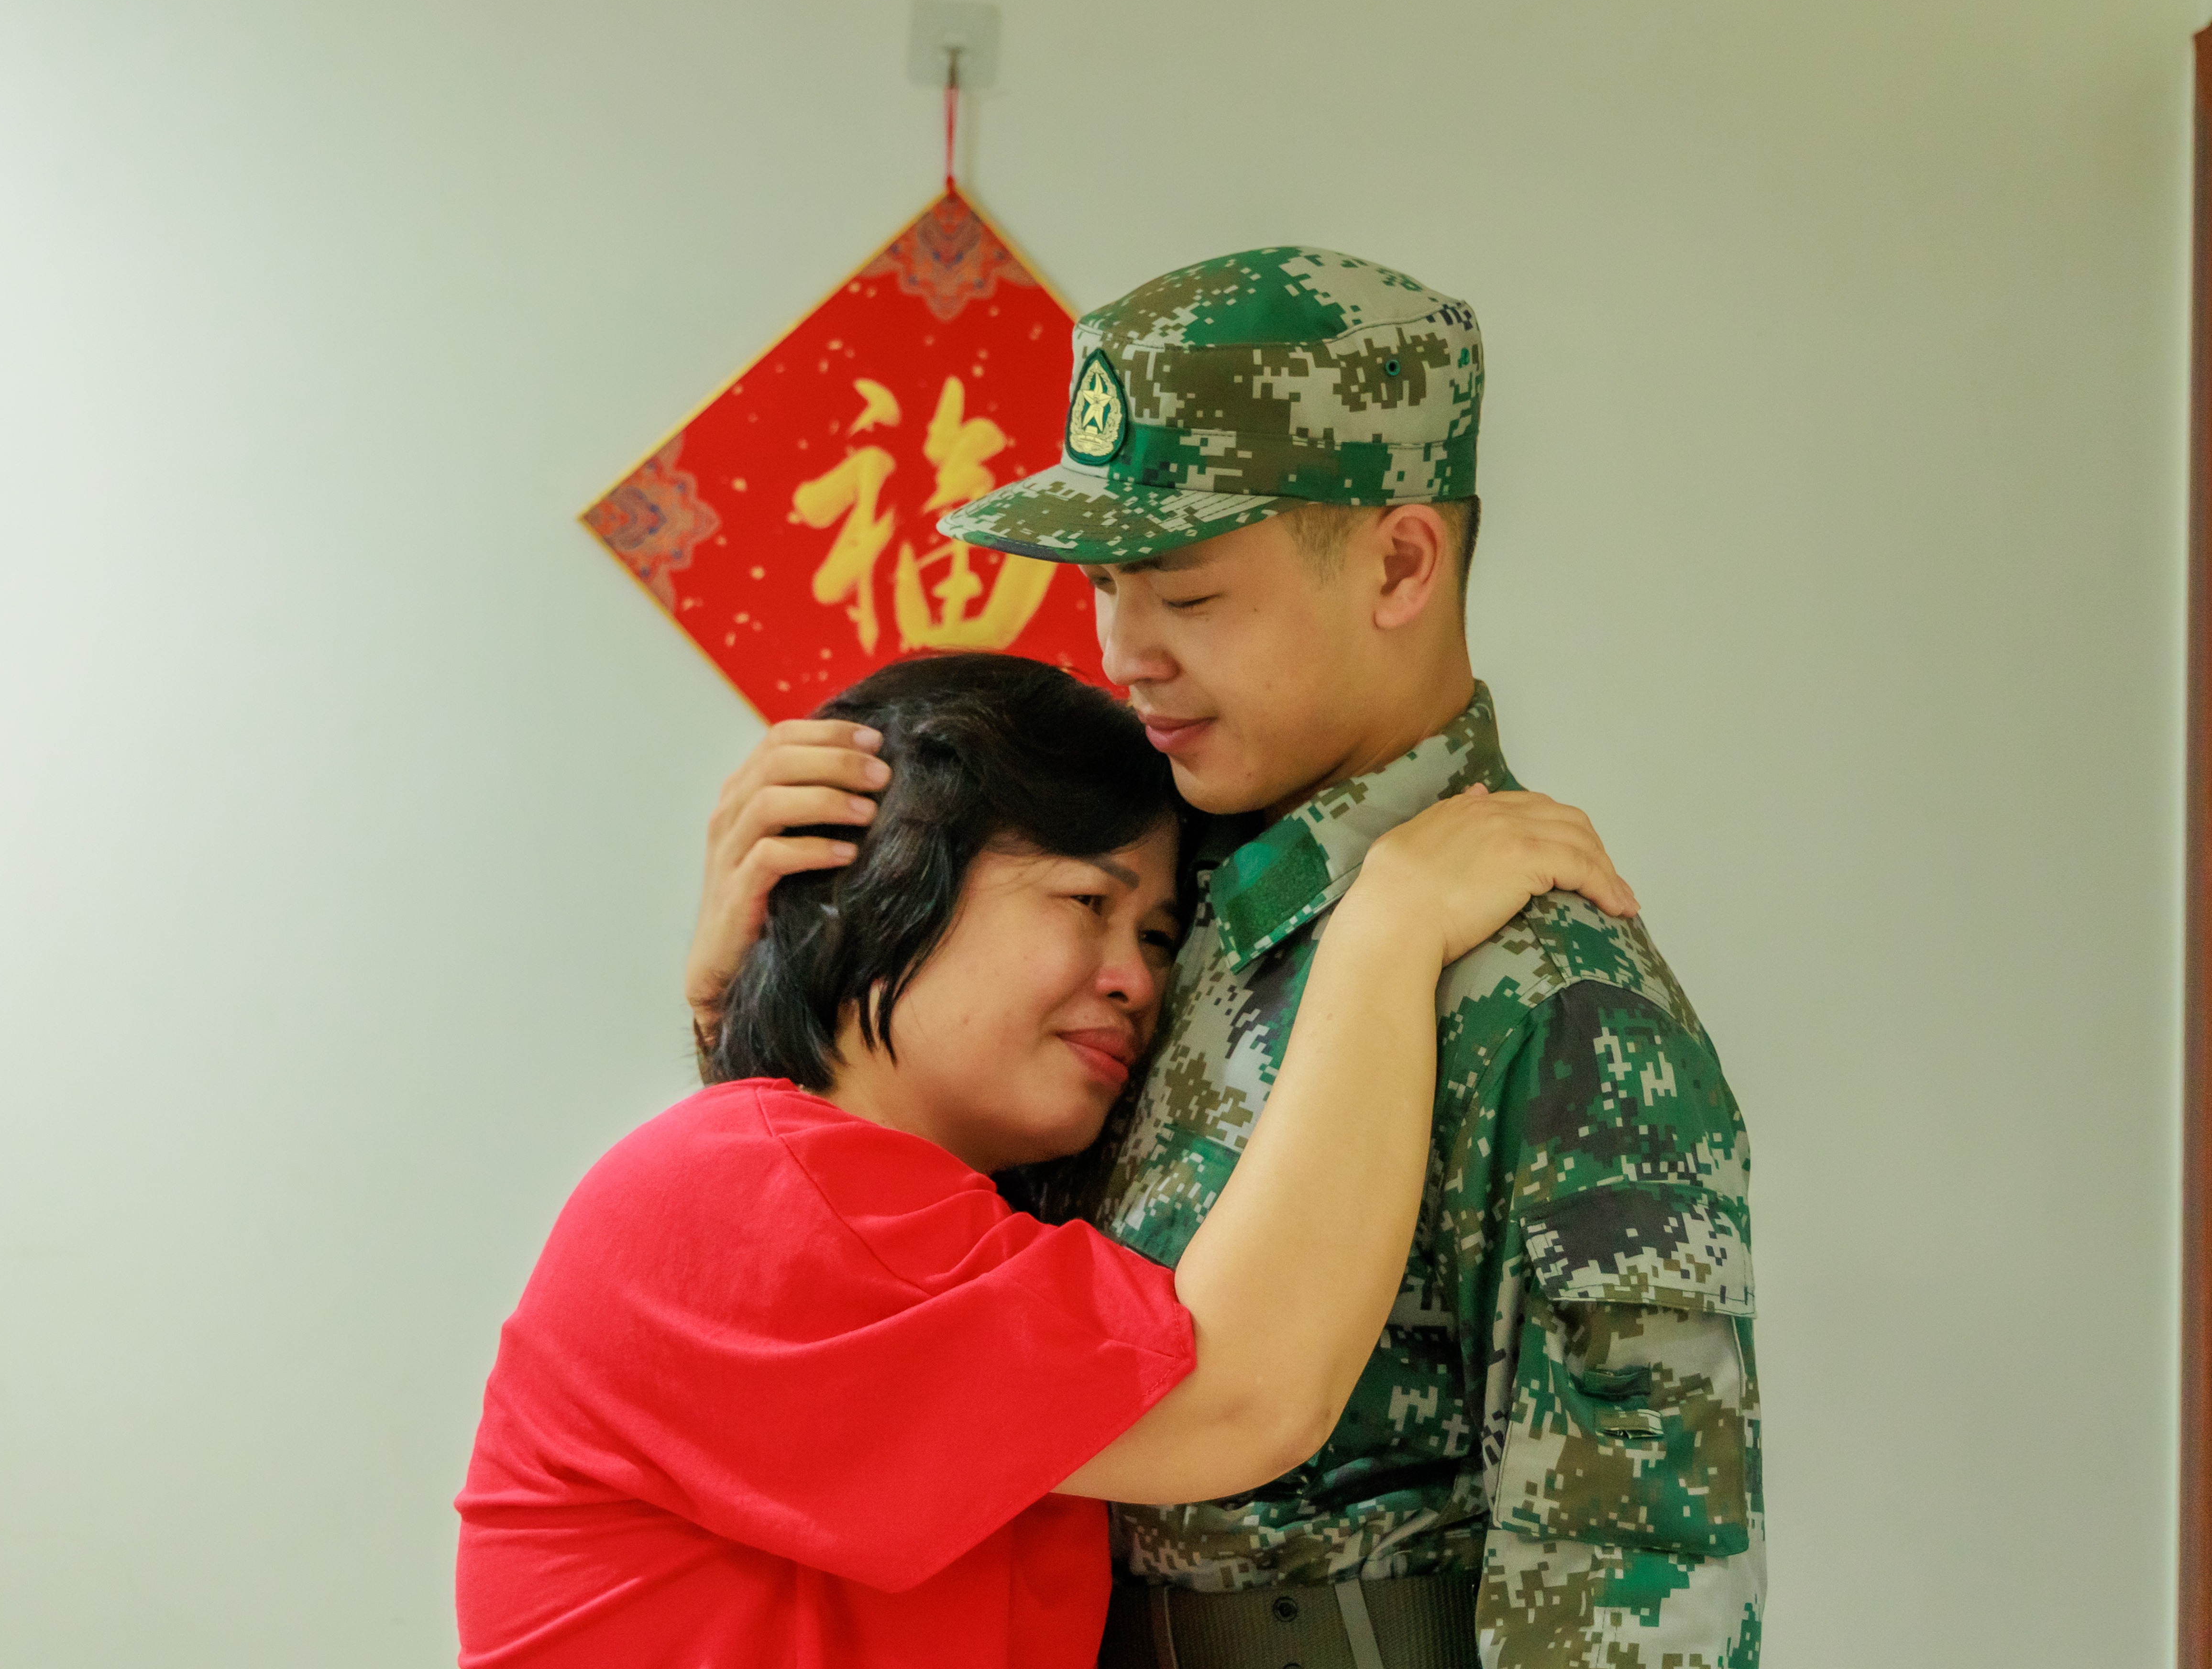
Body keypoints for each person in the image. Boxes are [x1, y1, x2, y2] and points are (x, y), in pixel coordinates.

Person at [691, 249, 1763, 1668]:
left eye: (1187, 597)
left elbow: (1638, 1574)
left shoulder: (1544, 989)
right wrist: (744, 1010)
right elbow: (895, 1287)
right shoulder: (1136, 903)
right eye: (1106, 587)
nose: (1125, 651)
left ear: (1399, 563)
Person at [456, 652, 1635, 1669]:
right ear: (888, 876)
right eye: (1084, 900)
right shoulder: (744, 1188)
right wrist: (1392, 929)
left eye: (1159, 937)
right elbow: (1240, 1399)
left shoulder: (866, 1209)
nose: (1135, 981)